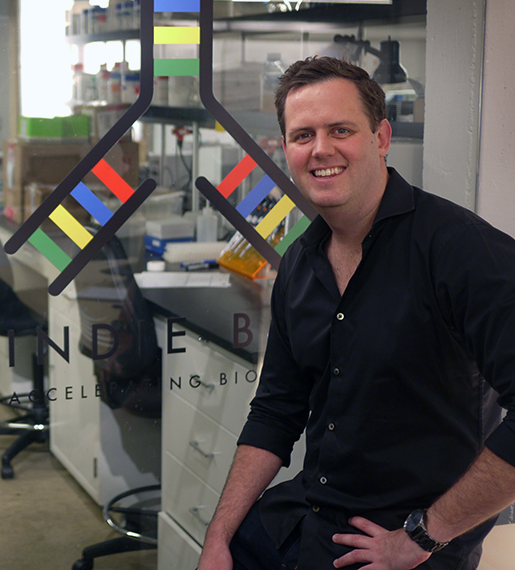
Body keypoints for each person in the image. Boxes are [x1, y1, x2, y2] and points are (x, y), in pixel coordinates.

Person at [197, 56, 515, 570]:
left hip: (401, 547)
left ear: (381, 137)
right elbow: (277, 408)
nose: (321, 149)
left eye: (340, 130)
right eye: (303, 136)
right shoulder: (300, 263)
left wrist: (424, 537)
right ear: (286, 150)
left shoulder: (463, 252)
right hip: (306, 518)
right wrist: (218, 536)